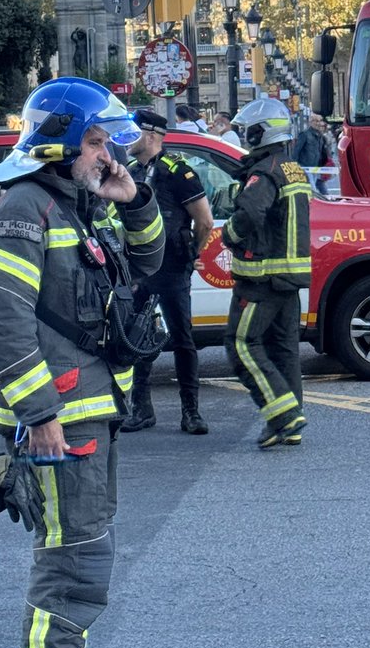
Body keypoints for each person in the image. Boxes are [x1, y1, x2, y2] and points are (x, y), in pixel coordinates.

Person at [0, 77, 164, 648]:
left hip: (91, 409)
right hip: (61, 417)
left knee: (87, 541)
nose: (105, 151)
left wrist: (132, 199)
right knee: (73, 554)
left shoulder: (78, 205)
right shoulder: (24, 209)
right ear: (57, 142)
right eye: (92, 139)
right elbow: (1, 320)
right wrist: (39, 413)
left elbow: (150, 263)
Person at [221, 98, 312, 449]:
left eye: (249, 131)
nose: (245, 137)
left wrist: (228, 235)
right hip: (289, 278)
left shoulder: (264, 172)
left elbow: (249, 215)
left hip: (261, 278)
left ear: (262, 132)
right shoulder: (292, 168)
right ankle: (292, 421)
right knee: (284, 347)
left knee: (240, 343)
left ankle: (281, 415)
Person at [121, 107, 214, 435]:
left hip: (172, 268)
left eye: (132, 134)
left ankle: (191, 412)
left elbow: (204, 221)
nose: (126, 140)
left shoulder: (178, 170)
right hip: (138, 270)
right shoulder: (130, 171)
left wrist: (191, 257)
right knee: (136, 338)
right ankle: (141, 409)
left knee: (182, 339)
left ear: (149, 136)